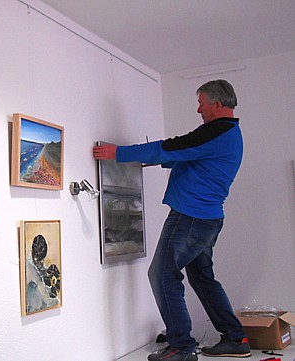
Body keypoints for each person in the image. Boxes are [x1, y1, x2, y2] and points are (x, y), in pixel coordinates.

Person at [93, 80, 250, 361]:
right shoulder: (228, 134)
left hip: (190, 218)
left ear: (216, 104)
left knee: (162, 275)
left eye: (201, 103)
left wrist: (119, 153)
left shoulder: (216, 131)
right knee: (203, 279)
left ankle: (181, 346)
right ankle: (235, 338)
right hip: (208, 219)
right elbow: (191, 156)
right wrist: (154, 161)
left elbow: (174, 146)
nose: (198, 109)